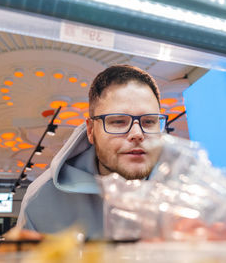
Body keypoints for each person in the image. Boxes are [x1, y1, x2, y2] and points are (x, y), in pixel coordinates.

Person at [17, 65, 168, 239]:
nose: (137, 134)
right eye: (118, 121)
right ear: (90, 131)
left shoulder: (188, 191)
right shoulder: (42, 199)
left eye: (149, 121)